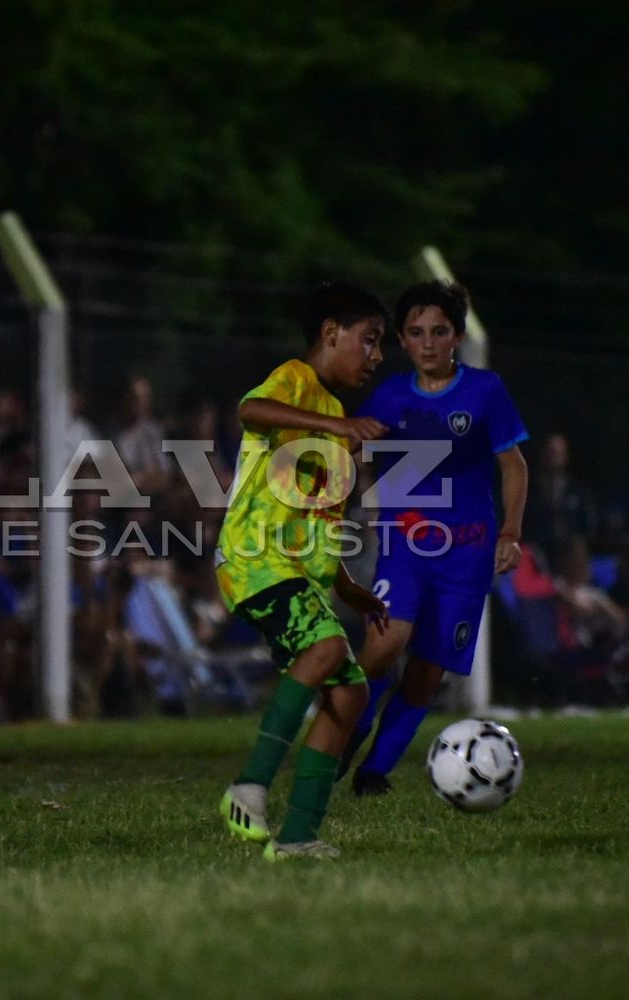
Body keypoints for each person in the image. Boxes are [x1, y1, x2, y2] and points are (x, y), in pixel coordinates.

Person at [215, 280, 390, 861]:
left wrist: (350, 589)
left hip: (291, 567)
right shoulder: (295, 380)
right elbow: (250, 408)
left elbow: (321, 526)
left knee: (351, 695)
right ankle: (249, 786)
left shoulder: (336, 416)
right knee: (327, 652)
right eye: (369, 341)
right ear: (330, 333)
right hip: (253, 559)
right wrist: (336, 430)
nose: (377, 356)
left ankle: (296, 839)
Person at [339, 280, 529, 796]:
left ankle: (374, 771)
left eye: (439, 332)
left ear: (458, 337)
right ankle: (343, 736)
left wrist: (509, 531)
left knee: (426, 673)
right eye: (417, 332)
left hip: (466, 554)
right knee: (384, 646)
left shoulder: (485, 391)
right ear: (402, 339)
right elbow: (360, 455)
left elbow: (513, 466)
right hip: (404, 546)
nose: (428, 343)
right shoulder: (392, 395)